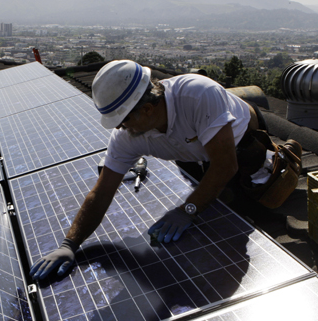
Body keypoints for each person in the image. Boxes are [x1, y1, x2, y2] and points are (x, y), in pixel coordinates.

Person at [30, 59, 300, 281]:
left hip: (241, 144)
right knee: (204, 195)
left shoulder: (197, 95)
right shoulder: (128, 135)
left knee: (245, 211)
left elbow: (225, 165)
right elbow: (101, 192)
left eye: (122, 121)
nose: (119, 128)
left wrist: (187, 210)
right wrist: (70, 244)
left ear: (147, 109)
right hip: (193, 153)